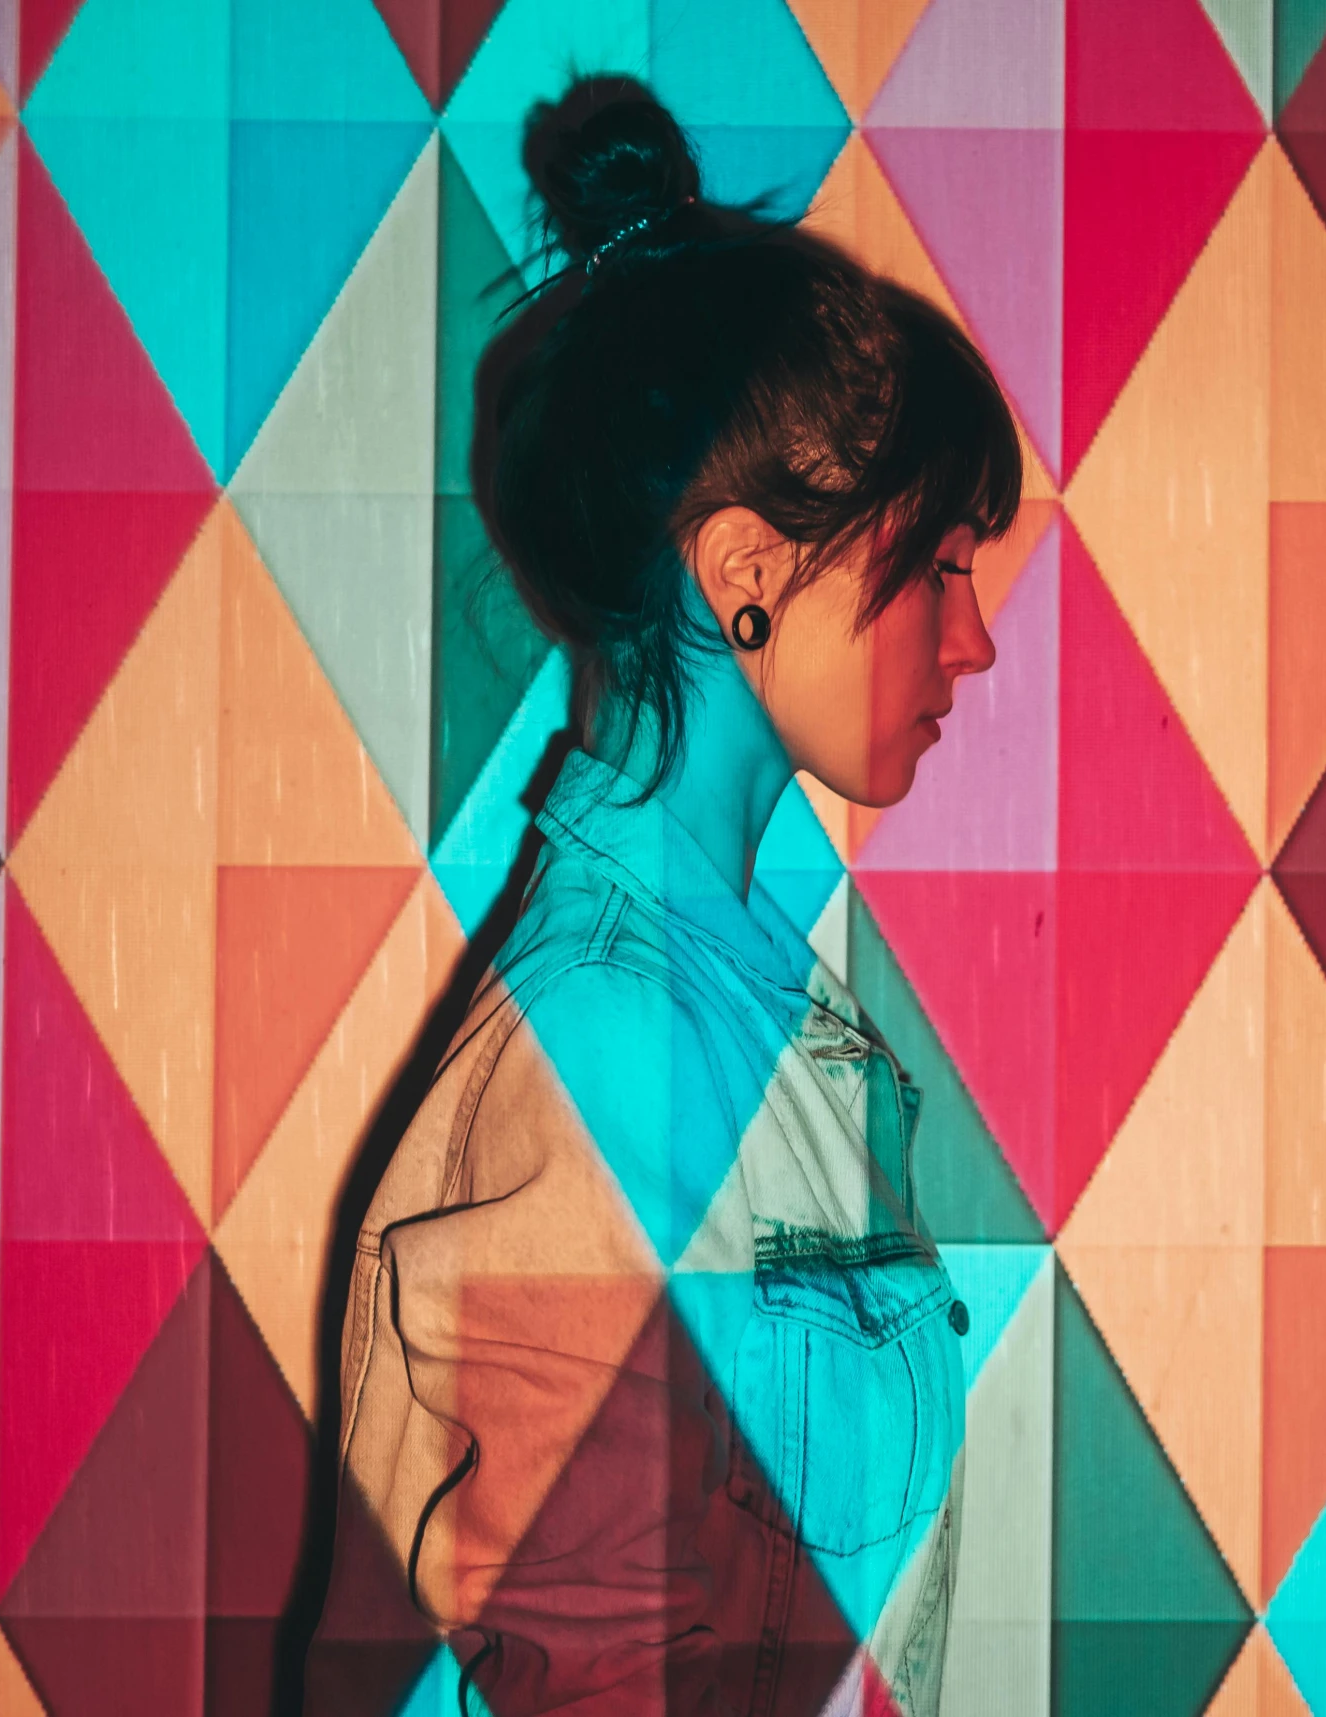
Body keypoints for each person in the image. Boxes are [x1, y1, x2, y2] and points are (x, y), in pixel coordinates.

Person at [318, 73, 1022, 1717]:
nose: (971, 637)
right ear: (745, 580)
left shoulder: (730, 1015)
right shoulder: (615, 1041)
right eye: (932, 566)